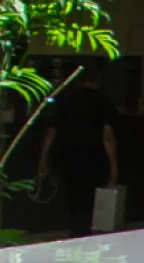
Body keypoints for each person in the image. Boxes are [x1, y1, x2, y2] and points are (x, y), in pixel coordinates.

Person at [37, 64, 119, 239]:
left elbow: (51, 133)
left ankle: (74, 232)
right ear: (98, 82)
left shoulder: (63, 100)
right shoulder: (104, 101)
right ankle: (85, 234)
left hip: (66, 156)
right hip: (94, 157)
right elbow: (107, 135)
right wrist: (113, 164)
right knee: (89, 200)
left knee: (71, 199)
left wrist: (43, 159)